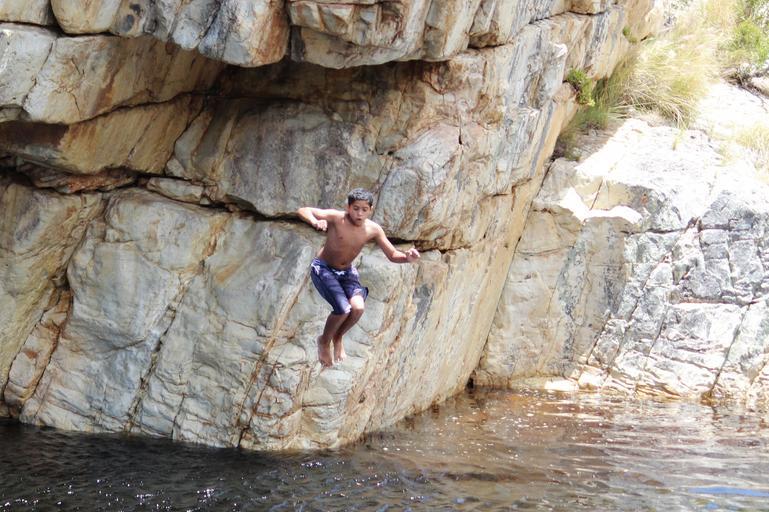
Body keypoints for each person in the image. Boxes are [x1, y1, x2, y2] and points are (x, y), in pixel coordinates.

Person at [297, 188, 420, 368]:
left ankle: (338, 337)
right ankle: (324, 341)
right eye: (355, 208)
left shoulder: (373, 229)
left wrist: (407, 258)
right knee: (343, 309)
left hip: (347, 272)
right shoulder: (336, 218)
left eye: (364, 209)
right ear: (348, 207)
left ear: (370, 210)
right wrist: (315, 221)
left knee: (358, 308)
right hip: (324, 269)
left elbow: (393, 254)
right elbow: (303, 210)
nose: (359, 213)